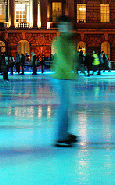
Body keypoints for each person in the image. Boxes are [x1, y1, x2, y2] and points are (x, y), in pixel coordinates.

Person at [51, 15, 79, 147]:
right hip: (62, 77)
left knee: (67, 106)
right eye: (63, 25)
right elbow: (62, 59)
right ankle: (61, 136)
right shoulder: (60, 40)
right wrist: (71, 73)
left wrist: (76, 69)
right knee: (64, 107)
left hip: (66, 77)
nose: (66, 27)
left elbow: (72, 57)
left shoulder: (69, 40)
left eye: (68, 25)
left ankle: (65, 133)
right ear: (60, 27)